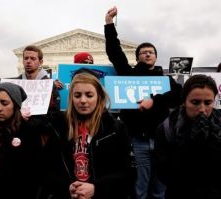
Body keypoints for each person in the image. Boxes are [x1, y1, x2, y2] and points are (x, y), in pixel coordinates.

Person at [104, 6, 182, 199]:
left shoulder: (166, 80)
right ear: (138, 57)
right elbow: (115, 52)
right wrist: (108, 24)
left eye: (151, 52)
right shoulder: (128, 74)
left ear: (156, 56)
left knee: (160, 186)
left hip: (162, 140)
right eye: (144, 52)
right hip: (137, 140)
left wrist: (154, 100)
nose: (148, 54)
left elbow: (179, 95)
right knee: (139, 187)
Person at [66, 70, 136, 199]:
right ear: (71, 98)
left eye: (89, 95)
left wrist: (96, 188)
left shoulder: (116, 128)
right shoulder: (60, 127)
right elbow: (50, 169)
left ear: (99, 96)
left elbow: (129, 172)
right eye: (77, 95)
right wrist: (67, 188)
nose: (82, 100)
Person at [155, 74, 221, 199]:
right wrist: (190, 146)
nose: (202, 109)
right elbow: (163, 173)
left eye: (208, 103)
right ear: (184, 101)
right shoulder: (168, 128)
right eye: (195, 102)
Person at [0, 82, 44, 199]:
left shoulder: (28, 131)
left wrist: (1, 165)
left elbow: (35, 170)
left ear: (15, 105)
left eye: (4, 103)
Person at [17, 45, 61, 112]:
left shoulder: (50, 85)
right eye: (26, 58)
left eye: (33, 58)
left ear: (40, 62)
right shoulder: (15, 83)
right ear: (23, 61)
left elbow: (55, 111)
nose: (28, 61)